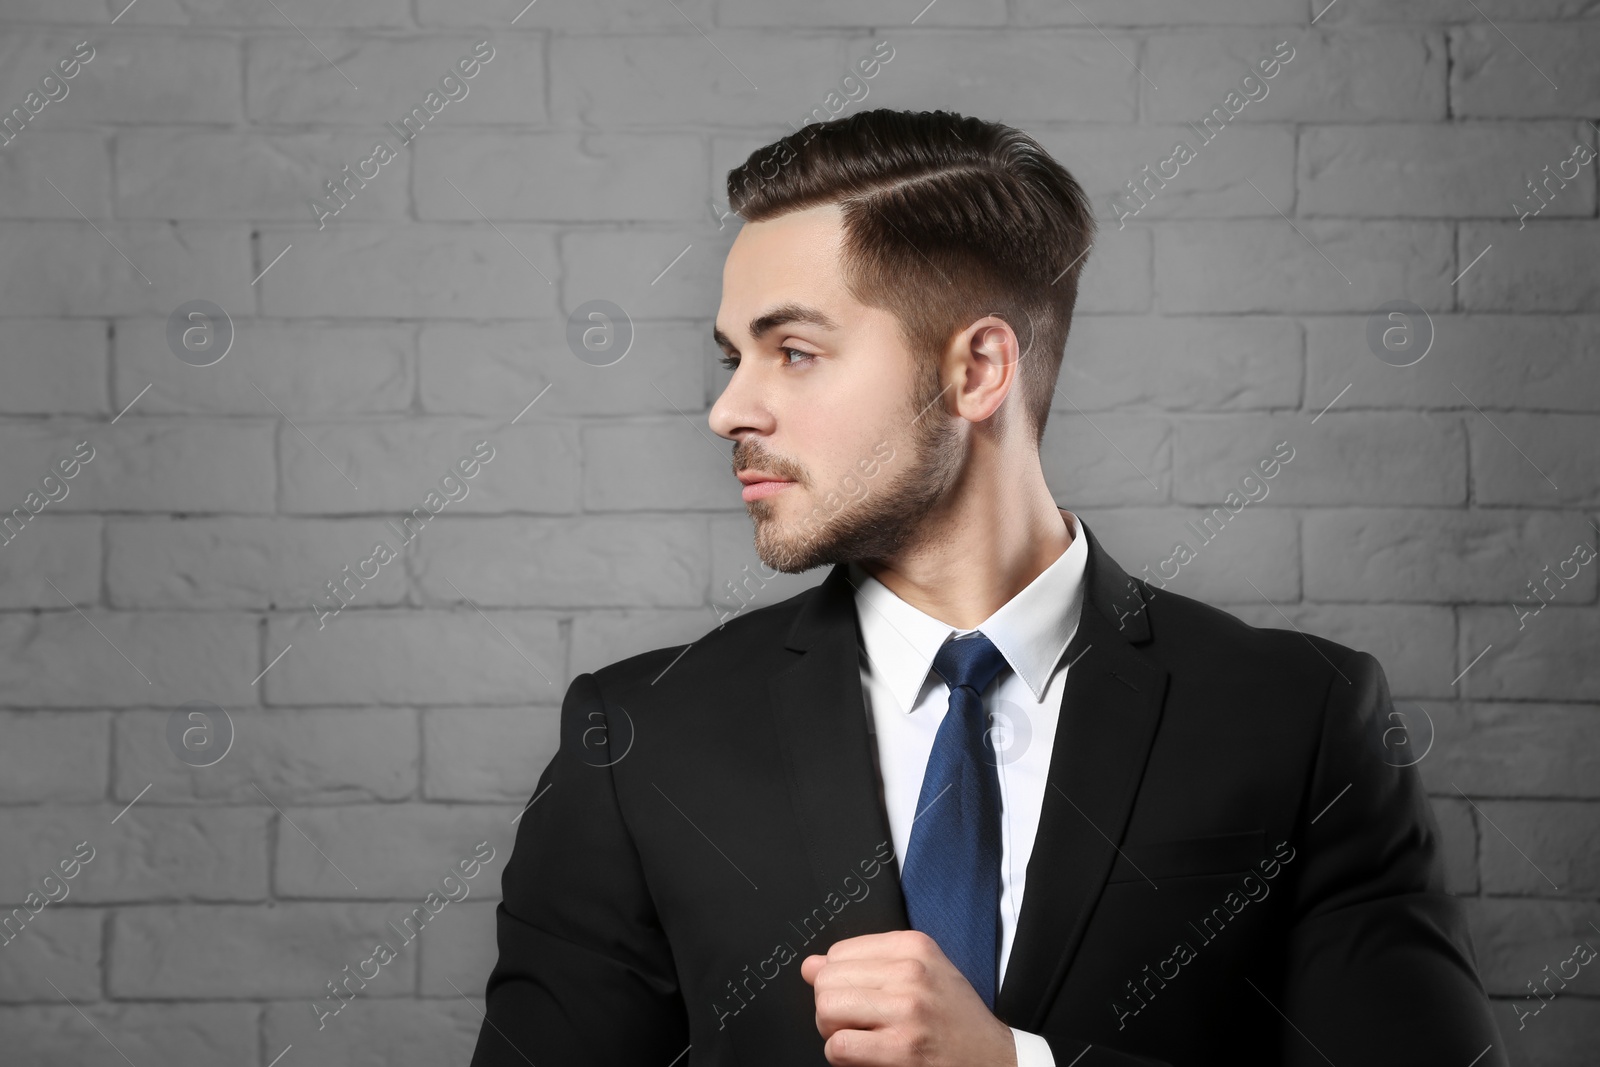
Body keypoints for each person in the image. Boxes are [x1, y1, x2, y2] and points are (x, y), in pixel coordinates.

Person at [469, 108, 1504, 1066]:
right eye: (733, 356)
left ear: (975, 371)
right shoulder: (640, 738)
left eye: (792, 350)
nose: (729, 408)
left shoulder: (1296, 722)